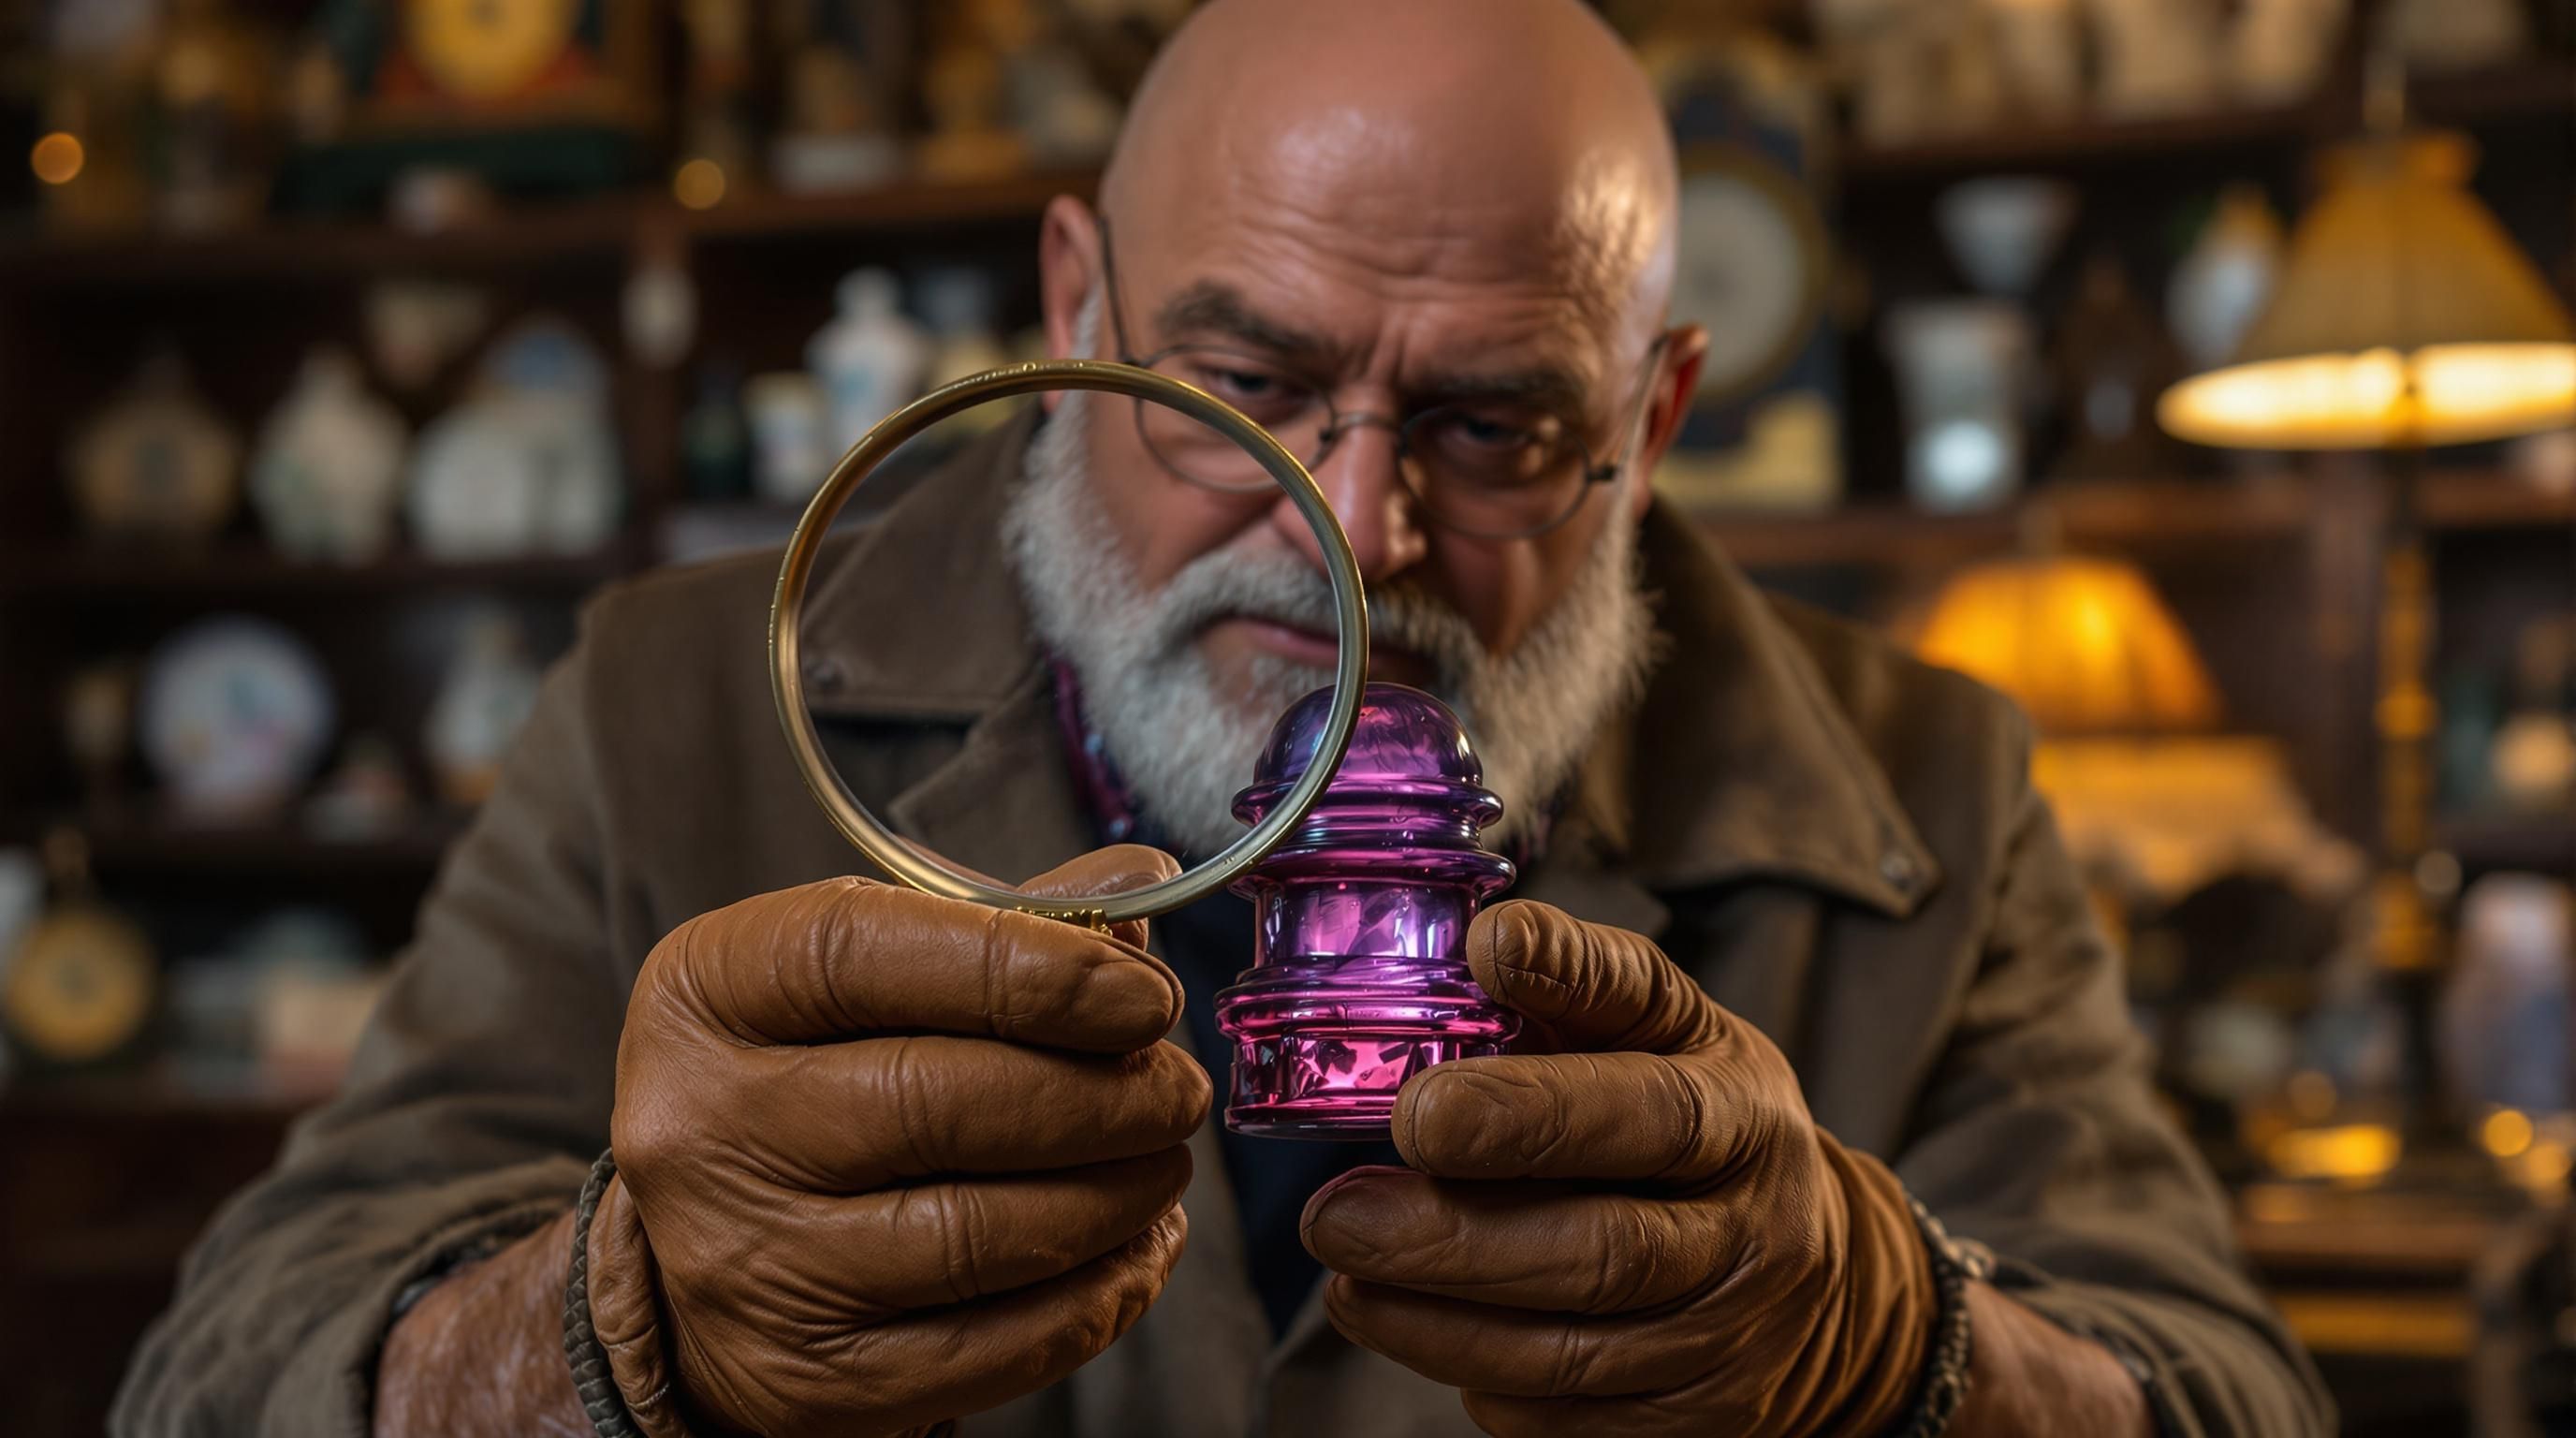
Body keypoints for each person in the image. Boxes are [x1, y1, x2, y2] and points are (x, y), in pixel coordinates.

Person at [116, 2, 2332, 1434]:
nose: (1343, 535)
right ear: (1072, 306)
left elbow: (2223, 1399)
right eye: (1241, 387)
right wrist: (603, 1339)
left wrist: (1890, 1355)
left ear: (1652, 421)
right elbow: (220, 1375)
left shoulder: (1923, 794)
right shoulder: (675, 706)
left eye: (1486, 423)